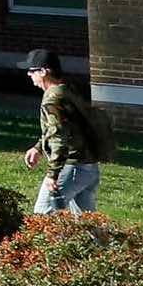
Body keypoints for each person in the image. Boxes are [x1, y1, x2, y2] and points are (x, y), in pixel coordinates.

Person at [21, 48, 106, 215]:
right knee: (89, 225)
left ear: (44, 72)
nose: (29, 75)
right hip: (89, 167)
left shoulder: (52, 99)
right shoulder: (68, 90)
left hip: (71, 168)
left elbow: (59, 138)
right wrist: (38, 147)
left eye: (32, 71)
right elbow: (67, 128)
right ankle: (113, 242)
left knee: (41, 216)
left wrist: (53, 175)